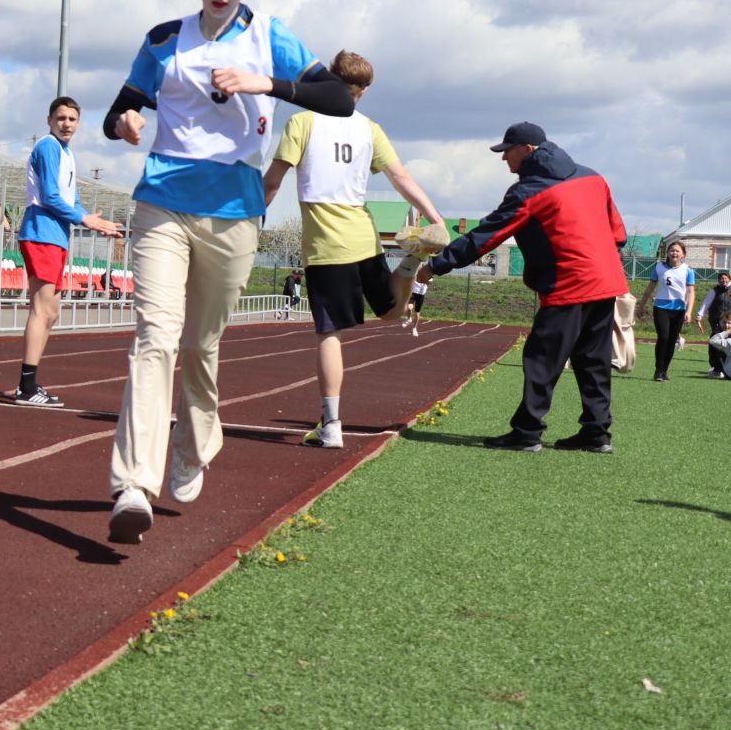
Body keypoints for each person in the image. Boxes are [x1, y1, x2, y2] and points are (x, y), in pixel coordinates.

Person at [100, 0, 358, 543]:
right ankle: (133, 484)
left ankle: (193, 442)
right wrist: (126, 122)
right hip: (162, 202)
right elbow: (119, 108)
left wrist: (267, 83)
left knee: (201, 345)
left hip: (234, 211)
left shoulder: (272, 37)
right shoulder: (164, 40)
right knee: (154, 337)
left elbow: (339, 99)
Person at [262, 50, 446, 447]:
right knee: (391, 311)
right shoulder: (369, 128)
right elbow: (400, 177)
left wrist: (249, 221)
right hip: (364, 236)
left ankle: (331, 426)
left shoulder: (303, 121)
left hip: (327, 246)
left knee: (330, 334)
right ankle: (411, 258)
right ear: (363, 91)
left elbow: (273, 180)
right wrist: (436, 218)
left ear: (328, 80)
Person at [419, 122, 626, 452]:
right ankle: (596, 434)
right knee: (594, 360)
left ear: (528, 151)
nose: (503, 159)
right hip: (605, 281)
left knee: (542, 358)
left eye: (507, 152)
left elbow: (484, 237)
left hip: (569, 284)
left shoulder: (529, 191)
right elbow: (618, 233)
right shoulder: (594, 177)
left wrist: (435, 265)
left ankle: (528, 432)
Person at [14, 95, 124, 405]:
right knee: (41, 310)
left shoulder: (67, 153)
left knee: (51, 312)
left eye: (72, 119)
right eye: (61, 118)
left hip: (56, 236)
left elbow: (71, 201)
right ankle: (27, 387)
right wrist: (84, 219)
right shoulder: (48, 147)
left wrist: (96, 222)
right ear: (49, 120)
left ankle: (29, 384)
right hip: (41, 234)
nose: (66, 124)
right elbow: (49, 197)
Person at [636, 240, 694, 383]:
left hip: (679, 309)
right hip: (661, 307)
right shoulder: (659, 267)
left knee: (672, 340)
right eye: (671, 250)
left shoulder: (688, 270)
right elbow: (650, 288)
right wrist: (641, 306)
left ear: (683, 254)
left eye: (677, 251)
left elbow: (691, 292)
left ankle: (664, 370)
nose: (674, 253)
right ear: (667, 253)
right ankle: (658, 370)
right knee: (663, 338)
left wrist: (689, 311)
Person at [695, 269, 731, 377]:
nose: (723, 280)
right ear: (718, 280)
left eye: (725, 278)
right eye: (721, 278)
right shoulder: (714, 291)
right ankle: (717, 368)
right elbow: (706, 303)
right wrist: (700, 315)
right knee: (714, 343)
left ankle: (729, 368)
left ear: (729, 279)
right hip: (717, 322)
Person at [709, 310, 731, 380]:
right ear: (719, 322)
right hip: (723, 364)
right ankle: (719, 370)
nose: (726, 325)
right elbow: (712, 355)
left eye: (729, 323)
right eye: (724, 322)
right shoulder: (716, 334)